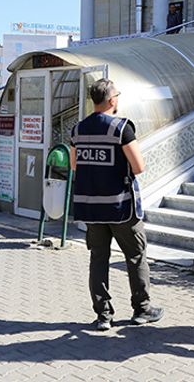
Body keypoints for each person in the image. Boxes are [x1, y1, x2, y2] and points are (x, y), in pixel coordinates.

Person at [69, 79, 164, 331]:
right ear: (112, 100)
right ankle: (142, 310)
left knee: (98, 258)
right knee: (135, 255)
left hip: (91, 208)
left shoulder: (78, 130)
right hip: (121, 208)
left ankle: (103, 315)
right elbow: (139, 167)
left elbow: (74, 165)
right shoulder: (121, 128)